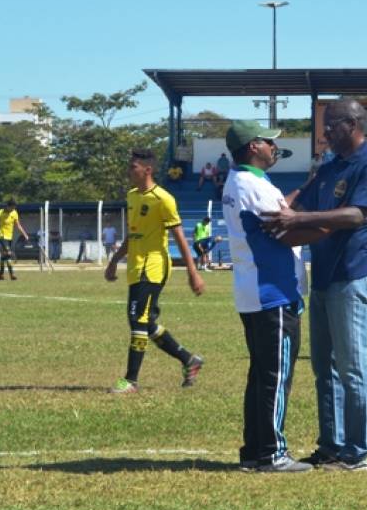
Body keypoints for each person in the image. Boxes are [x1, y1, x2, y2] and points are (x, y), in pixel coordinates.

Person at [260, 98, 367, 472]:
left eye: (331, 125)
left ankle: (359, 452)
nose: (325, 132)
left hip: (353, 275)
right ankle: (331, 445)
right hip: (325, 275)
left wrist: (299, 217)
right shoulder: (332, 166)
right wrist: (284, 206)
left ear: (352, 124)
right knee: (324, 368)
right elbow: (308, 191)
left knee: (351, 367)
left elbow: (355, 214)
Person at [221, 120, 311, 473]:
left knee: (260, 375)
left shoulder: (243, 181)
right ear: (252, 146)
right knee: (276, 376)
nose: (274, 147)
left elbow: (275, 212)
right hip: (272, 291)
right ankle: (272, 453)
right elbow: (284, 231)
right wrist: (332, 227)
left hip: (255, 291)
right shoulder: (251, 184)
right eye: (268, 142)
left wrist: (302, 193)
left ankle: (254, 451)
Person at [105, 148, 205, 394]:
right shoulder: (132, 196)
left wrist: (193, 271)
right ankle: (189, 360)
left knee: (138, 320)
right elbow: (133, 233)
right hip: (135, 266)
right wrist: (114, 260)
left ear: (147, 170)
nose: (129, 170)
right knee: (143, 321)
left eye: (133, 167)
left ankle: (130, 380)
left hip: (154, 266)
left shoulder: (163, 199)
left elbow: (179, 236)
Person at [0, 199, 28, 281]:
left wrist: (25, 234)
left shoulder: (14, 213)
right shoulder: (0, 212)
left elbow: (18, 225)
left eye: (14, 208)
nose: (13, 209)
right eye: (12, 208)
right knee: (8, 253)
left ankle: (0, 274)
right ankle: (12, 274)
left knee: (4, 256)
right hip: (1, 236)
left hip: (10, 237)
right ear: (8, 206)